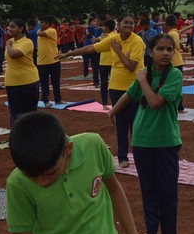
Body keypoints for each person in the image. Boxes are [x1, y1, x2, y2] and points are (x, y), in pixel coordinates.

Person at [5, 112, 140, 234]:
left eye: (50, 173)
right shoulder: (17, 183)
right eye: (31, 176)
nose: (41, 182)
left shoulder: (93, 145)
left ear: (68, 149)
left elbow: (114, 189)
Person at [107, 34, 192, 234]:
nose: (165, 53)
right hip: (143, 141)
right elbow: (130, 94)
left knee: (168, 192)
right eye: (160, 49)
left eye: (169, 49)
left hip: (166, 141)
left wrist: (142, 79)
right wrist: (112, 111)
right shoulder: (147, 75)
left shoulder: (174, 75)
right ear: (151, 52)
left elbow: (154, 103)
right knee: (150, 192)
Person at [59, 15, 145, 170]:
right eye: (126, 22)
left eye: (131, 23)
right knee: (121, 123)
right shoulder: (114, 39)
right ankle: (123, 157)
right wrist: (69, 54)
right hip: (116, 87)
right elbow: (92, 48)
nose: (129, 25)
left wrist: (117, 51)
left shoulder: (137, 41)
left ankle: (139, 156)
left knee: (136, 124)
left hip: (135, 88)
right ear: (119, 25)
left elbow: (131, 66)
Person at [4, 19, 40, 128]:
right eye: (9, 27)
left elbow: (13, 54)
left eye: (13, 27)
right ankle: (17, 139)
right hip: (12, 82)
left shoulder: (27, 42)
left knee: (30, 114)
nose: (9, 29)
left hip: (28, 81)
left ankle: (31, 140)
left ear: (21, 29)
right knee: (15, 114)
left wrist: (7, 44)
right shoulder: (11, 42)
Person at [36, 15, 62, 107]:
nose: (40, 24)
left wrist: (38, 30)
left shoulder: (52, 31)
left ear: (48, 24)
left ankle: (58, 99)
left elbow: (38, 33)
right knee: (44, 83)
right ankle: (45, 100)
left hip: (54, 60)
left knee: (56, 82)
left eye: (42, 22)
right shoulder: (42, 31)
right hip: (42, 61)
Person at [164, 14, 187, 113]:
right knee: (178, 84)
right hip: (178, 60)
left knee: (171, 84)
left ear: (166, 24)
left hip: (172, 61)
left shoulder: (170, 34)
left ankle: (178, 106)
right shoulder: (175, 33)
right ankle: (180, 106)